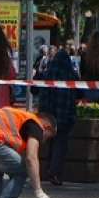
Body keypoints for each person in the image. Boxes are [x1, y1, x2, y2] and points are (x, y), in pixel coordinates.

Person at [38, 49, 79, 186]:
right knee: (60, 145)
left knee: (49, 143)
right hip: (65, 115)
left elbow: (40, 93)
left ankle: (47, 170)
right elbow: (79, 93)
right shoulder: (71, 75)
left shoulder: (48, 74)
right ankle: (55, 173)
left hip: (49, 115)